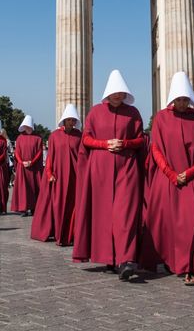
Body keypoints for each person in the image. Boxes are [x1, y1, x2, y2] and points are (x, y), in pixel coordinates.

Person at [143, 73, 194, 286]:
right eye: (178, 99)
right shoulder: (160, 118)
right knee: (166, 222)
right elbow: (156, 149)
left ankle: (190, 265)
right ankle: (171, 259)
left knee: (192, 222)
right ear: (172, 98)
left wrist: (188, 173)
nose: (182, 103)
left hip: (191, 178)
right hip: (166, 177)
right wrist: (170, 173)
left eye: (185, 99)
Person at [73, 69, 146, 281]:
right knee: (103, 214)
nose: (118, 95)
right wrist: (105, 144)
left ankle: (126, 259)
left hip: (127, 167)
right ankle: (109, 257)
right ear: (108, 93)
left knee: (126, 213)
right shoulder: (95, 112)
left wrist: (124, 143)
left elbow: (141, 140)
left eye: (121, 92)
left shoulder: (133, 114)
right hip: (101, 169)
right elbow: (86, 139)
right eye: (115, 92)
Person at [31, 104, 83, 246]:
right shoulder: (54, 136)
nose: (71, 122)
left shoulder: (80, 136)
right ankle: (57, 232)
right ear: (64, 120)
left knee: (73, 206)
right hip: (58, 177)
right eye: (69, 120)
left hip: (74, 177)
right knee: (57, 205)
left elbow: (83, 157)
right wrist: (49, 173)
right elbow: (50, 157)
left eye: (73, 120)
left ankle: (71, 234)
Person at [11, 115, 43, 216]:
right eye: (26, 126)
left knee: (34, 187)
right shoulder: (20, 138)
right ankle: (23, 208)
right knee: (23, 188)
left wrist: (31, 162)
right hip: (23, 167)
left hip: (34, 168)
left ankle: (34, 207)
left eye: (29, 126)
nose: (28, 128)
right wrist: (21, 162)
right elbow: (17, 152)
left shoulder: (38, 138)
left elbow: (39, 152)